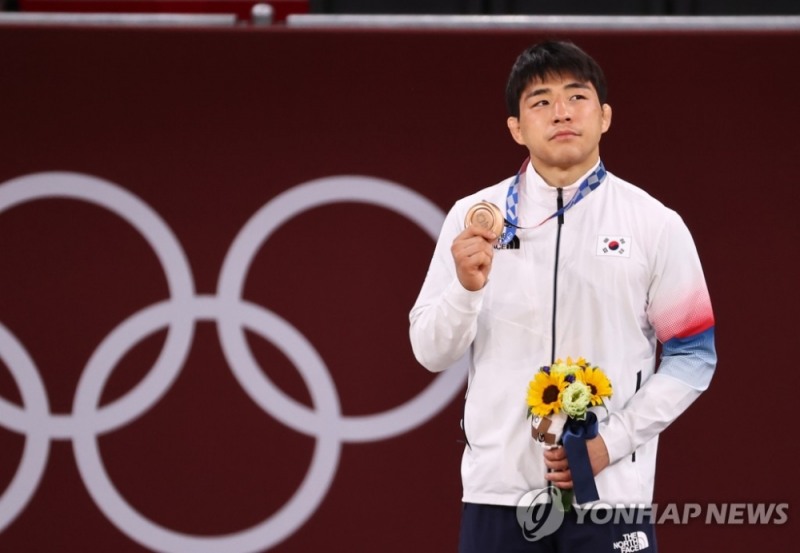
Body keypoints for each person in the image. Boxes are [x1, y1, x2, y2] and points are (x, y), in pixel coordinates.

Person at [408, 40, 716, 552]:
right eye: (541, 101)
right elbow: (430, 351)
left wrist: (608, 445)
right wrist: (465, 289)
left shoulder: (654, 224)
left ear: (605, 117)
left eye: (577, 97)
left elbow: (693, 356)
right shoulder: (473, 217)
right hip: (498, 494)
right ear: (516, 127)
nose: (561, 112)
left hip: (611, 494)